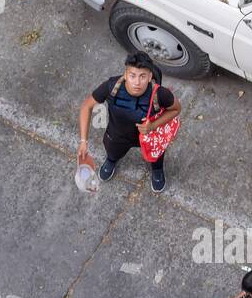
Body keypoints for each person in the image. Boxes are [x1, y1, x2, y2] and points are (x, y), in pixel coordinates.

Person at [76, 51, 181, 193]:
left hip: (149, 136)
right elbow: (86, 106)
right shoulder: (111, 87)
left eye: (142, 76)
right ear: (125, 75)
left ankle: (157, 170)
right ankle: (111, 161)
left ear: (150, 77)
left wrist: (153, 126)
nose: (137, 82)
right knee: (112, 152)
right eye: (132, 76)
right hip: (117, 135)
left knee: (156, 156)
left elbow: (176, 109)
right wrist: (83, 141)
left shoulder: (160, 94)